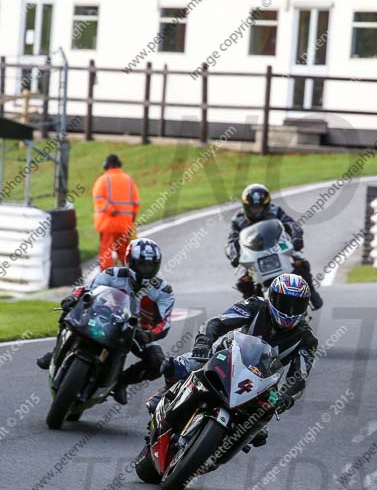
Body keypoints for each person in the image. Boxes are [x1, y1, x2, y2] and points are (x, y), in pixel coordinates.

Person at [157, 273, 318, 447]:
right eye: (285, 303)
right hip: (226, 355)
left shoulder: (307, 339)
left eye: (296, 306)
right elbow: (217, 322)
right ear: (271, 297)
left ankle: (213, 453)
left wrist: (287, 397)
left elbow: (299, 377)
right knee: (174, 367)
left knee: (259, 432)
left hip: (263, 382)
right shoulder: (255, 305)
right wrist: (204, 341)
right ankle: (165, 394)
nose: (290, 311)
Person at [37, 238, 174, 406]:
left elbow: (165, 322)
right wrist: (73, 297)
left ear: (157, 265)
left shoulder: (163, 290)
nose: (146, 269)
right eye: (141, 264)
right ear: (130, 262)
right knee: (70, 310)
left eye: (150, 265)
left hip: (137, 332)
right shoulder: (112, 274)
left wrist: (149, 335)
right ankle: (56, 351)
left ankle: (121, 383)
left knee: (157, 362)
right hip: (105, 318)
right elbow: (87, 289)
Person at [226, 183, 323, 309]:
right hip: (253, 256)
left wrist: (296, 237)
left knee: (300, 264)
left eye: (260, 207)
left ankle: (311, 292)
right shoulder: (238, 220)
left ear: (266, 205)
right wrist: (234, 254)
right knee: (243, 282)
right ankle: (250, 312)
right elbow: (231, 240)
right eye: (254, 208)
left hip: (278, 249)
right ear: (246, 206)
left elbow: (291, 224)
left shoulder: (275, 211)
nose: (257, 211)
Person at [93, 154, 140, 270]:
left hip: (107, 223)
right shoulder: (129, 180)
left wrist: (112, 210)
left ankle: (106, 277)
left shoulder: (102, 180)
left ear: (106, 166)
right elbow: (136, 203)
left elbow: (98, 198)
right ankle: (132, 276)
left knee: (106, 252)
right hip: (125, 224)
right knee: (124, 252)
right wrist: (132, 219)